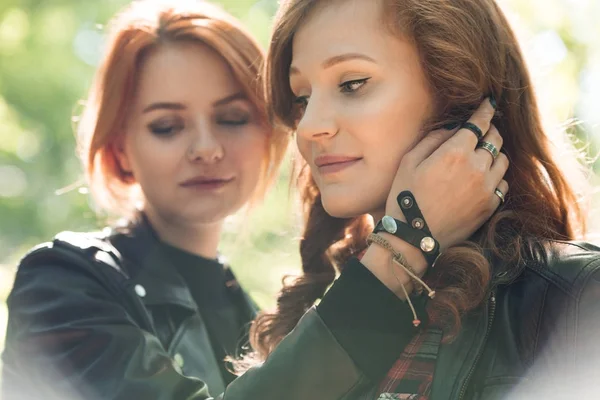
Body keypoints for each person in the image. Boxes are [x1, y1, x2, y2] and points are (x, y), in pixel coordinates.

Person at [2, 1, 509, 399]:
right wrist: (404, 244)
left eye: (232, 118)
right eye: (166, 126)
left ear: (271, 133)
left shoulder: (253, 314)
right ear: (119, 149)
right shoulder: (61, 288)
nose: (206, 149)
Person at [253, 0, 600, 398]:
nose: (309, 127)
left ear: (456, 93)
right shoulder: (319, 311)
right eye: (303, 98)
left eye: (352, 84)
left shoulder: (575, 296)